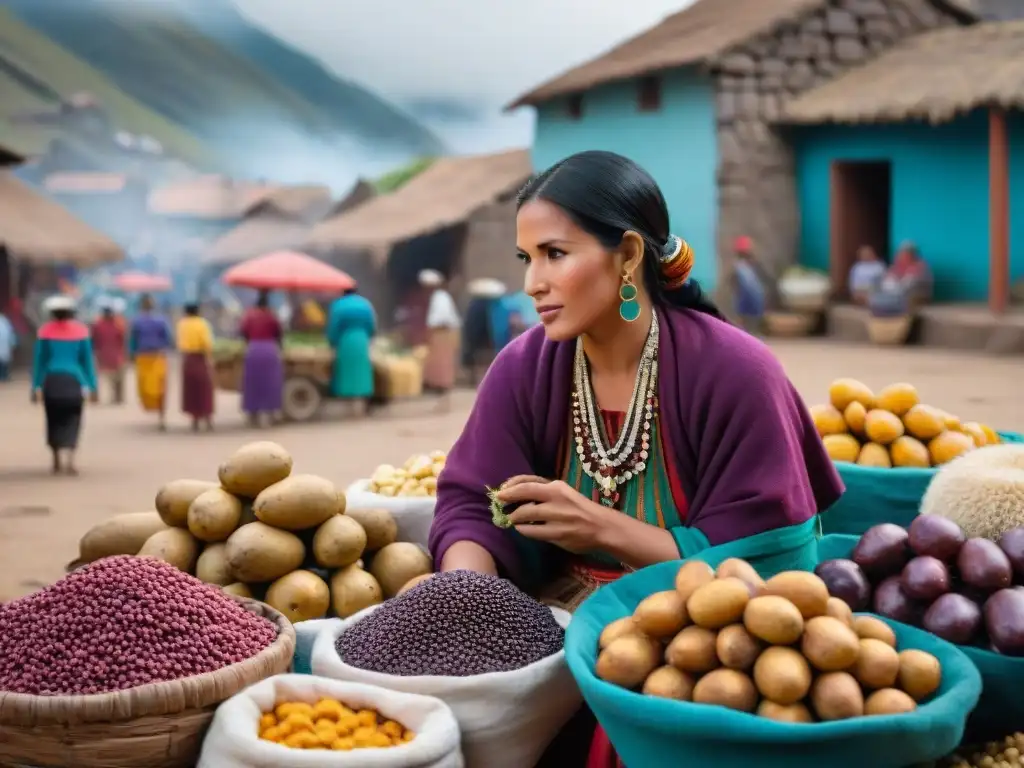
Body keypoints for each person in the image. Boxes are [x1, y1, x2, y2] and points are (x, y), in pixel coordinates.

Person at [427, 150, 843, 767]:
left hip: (695, 650)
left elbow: (778, 558)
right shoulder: (524, 367)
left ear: (626, 256)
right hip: (547, 634)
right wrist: (468, 597)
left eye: (555, 254)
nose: (532, 283)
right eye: (527, 258)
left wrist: (604, 528)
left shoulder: (735, 373)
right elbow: (469, 500)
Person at [31, 296, 98, 475]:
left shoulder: (44, 332)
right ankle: (71, 461)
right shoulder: (81, 332)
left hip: (51, 381)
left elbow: (39, 362)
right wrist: (93, 387)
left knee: (52, 419)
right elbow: (87, 363)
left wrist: (35, 387)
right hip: (75, 382)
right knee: (74, 419)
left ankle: (56, 460)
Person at [326, 287, 376, 415]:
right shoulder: (365, 304)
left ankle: (349, 404)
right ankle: (363, 401)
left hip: (346, 341)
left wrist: (332, 341)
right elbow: (372, 325)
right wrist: (369, 337)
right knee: (363, 370)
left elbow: (333, 327)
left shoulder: (338, 305)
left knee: (346, 371)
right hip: (362, 340)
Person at [239, 289, 283, 427]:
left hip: (253, 350)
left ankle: (252, 416)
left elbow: (243, 332)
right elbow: (279, 334)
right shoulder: (272, 316)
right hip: (270, 350)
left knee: (253, 384)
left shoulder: (248, 316)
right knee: (271, 383)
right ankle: (271, 415)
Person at [129, 294, 173, 430]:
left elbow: (132, 341)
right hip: (157, 356)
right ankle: (161, 416)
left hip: (145, 357)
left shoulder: (137, 321)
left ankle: (159, 415)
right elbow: (168, 339)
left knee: (149, 387)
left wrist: (131, 354)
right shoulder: (161, 321)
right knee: (160, 387)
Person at [419, 269, 461, 411]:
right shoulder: (437, 297)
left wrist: (430, 332)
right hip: (440, 333)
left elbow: (439, 319)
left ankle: (444, 398)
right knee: (439, 365)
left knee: (443, 365)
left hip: (443, 333)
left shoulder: (440, 297)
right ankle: (441, 397)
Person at [177, 302, 215, 432]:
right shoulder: (202, 324)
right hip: (200, 358)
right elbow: (207, 343)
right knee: (204, 390)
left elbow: (179, 343)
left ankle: (195, 421)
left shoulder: (182, 324)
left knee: (191, 391)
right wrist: (210, 359)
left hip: (188, 359)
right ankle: (208, 419)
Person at [869, 241, 933, 316]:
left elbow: (917, 282)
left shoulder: (920, 265)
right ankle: (883, 306)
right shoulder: (898, 265)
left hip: (913, 293)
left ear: (912, 254)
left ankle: (893, 305)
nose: (902, 255)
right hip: (896, 293)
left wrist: (903, 280)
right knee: (886, 281)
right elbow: (890, 275)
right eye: (901, 253)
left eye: (906, 253)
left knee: (909, 281)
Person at [90, 301, 126, 404]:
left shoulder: (97, 325)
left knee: (96, 377)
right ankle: (118, 397)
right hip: (115, 355)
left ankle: (95, 397)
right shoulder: (118, 324)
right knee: (118, 379)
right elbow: (123, 340)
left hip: (103, 355)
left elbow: (93, 340)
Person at [732, 235, 767, 336]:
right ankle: (748, 332)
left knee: (749, 316)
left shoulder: (751, 263)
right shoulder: (739, 265)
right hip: (745, 295)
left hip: (752, 295)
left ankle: (751, 332)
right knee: (745, 316)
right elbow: (734, 281)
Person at [0, 308, 16, 382]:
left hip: (4, 348)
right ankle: (4, 376)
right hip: (5, 350)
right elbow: (12, 335)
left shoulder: (5, 322)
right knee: (4, 363)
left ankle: (4, 376)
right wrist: (13, 344)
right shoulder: (6, 322)